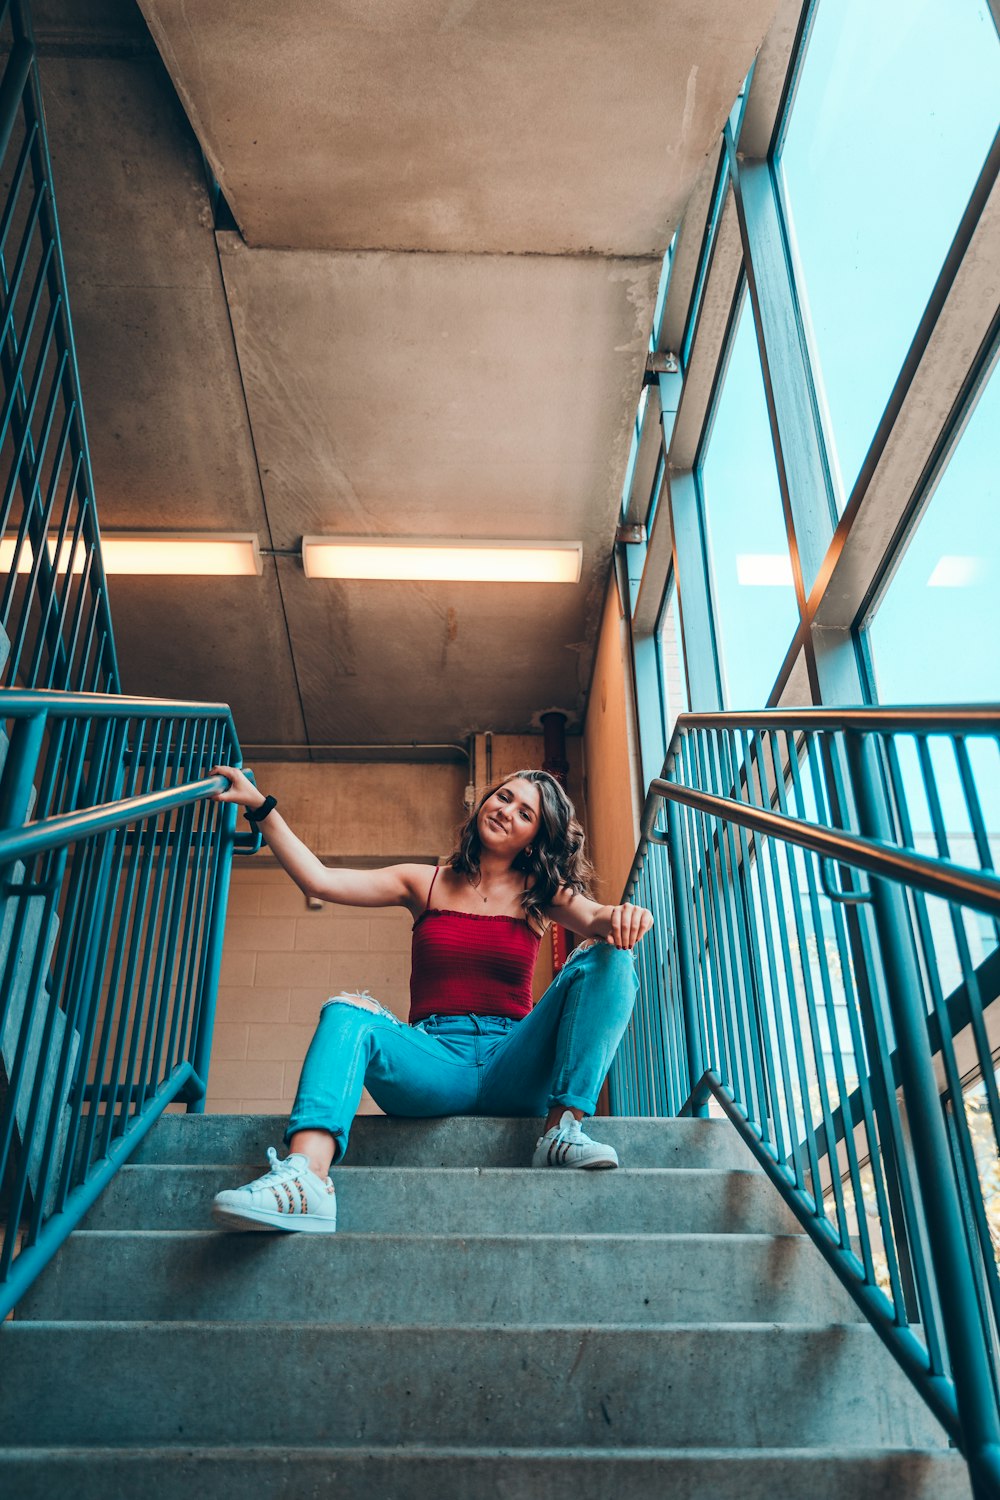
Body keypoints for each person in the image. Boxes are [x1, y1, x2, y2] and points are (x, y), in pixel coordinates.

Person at [208, 765, 652, 1233]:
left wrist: (624, 916)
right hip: (435, 1061)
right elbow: (319, 880)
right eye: (503, 797)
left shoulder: (541, 894)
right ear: (484, 802)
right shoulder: (424, 881)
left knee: (611, 958)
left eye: (525, 814)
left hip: (513, 1062)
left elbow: (597, 917)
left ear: (534, 838)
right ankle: (306, 1180)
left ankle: (562, 1131)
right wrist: (260, 808)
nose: (506, 812)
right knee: (346, 1011)